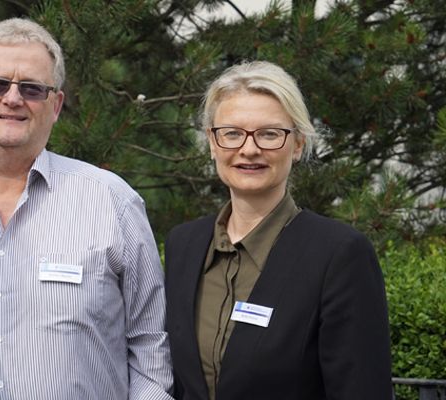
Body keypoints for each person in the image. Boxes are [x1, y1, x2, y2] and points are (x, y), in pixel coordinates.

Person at [0, 18, 173, 400]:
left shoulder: (112, 203)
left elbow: (151, 348)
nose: (12, 99)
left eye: (31, 88)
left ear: (56, 104)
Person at [164, 60, 392, 400]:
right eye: (232, 133)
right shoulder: (184, 245)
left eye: (270, 133)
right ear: (212, 143)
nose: (249, 149)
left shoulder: (339, 254)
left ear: (298, 144)